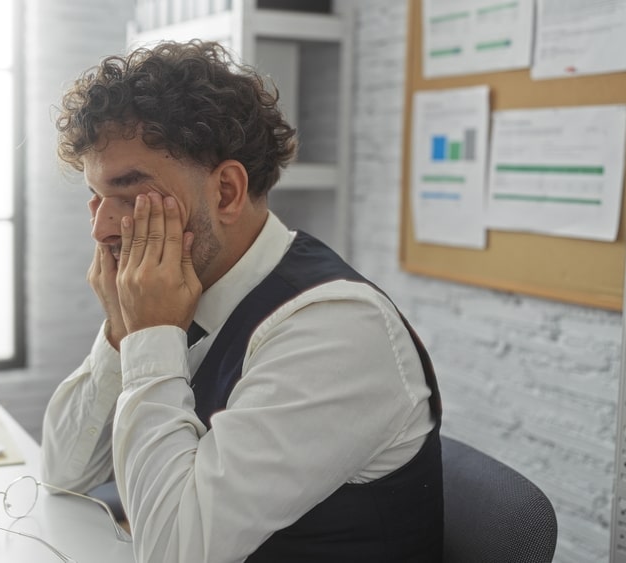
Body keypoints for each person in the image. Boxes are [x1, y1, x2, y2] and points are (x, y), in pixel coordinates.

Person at [41, 39, 443, 563]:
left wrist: (150, 339)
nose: (101, 228)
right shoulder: (181, 294)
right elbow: (63, 470)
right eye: (96, 199)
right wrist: (122, 335)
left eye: (129, 192)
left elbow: (173, 552)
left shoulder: (336, 329)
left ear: (226, 192)